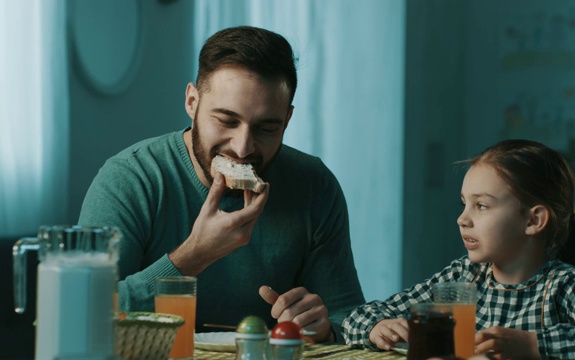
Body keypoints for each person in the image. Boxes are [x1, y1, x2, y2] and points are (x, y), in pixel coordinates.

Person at [78, 25, 364, 343]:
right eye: (227, 121)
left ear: (287, 120)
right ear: (192, 102)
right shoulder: (130, 179)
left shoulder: (314, 185)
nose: (243, 148)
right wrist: (195, 254)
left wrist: (323, 328)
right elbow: (84, 316)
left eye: (267, 128)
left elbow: (348, 316)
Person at [342, 139, 575, 358]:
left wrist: (532, 345)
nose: (462, 219)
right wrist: (376, 326)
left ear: (533, 220)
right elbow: (359, 316)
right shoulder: (462, 277)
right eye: (464, 204)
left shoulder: (562, 285)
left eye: (481, 205)